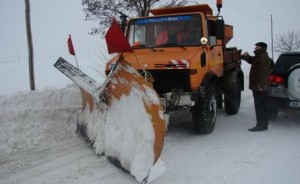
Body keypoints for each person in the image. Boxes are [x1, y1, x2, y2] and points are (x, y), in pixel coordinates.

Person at [241, 42, 271, 132]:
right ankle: (263, 124)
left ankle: (261, 125)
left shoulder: (263, 57)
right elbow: (252, 60)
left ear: (262, 48)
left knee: (260, 106)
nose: (255, 48)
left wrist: (261, 85)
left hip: (260, 87)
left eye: (257, 46)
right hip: (258, 86)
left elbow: (264, 73)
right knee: (260, 106)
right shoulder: (259, 56)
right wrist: (246, 56)